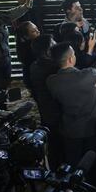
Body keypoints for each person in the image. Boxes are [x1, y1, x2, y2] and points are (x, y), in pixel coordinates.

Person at [46, 31, 96, 166]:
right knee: (92, 159)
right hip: (92, 127)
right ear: (70, 59)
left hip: (70, 128)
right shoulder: (86, 76)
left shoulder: (51, 81)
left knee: (72, 160)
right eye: (74, 54)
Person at [29, 34, 62, 169]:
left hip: (44, 106)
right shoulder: (53, 67)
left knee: (52, 139)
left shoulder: (34, 64)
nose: (56, 44)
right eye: (53, 42)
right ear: (47, 49)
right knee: (58, 140)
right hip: (55, 108)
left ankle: (53, 164)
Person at [16, 21, 41, 89]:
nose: (38, 31)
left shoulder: (38, 44)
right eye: (33, 31)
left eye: (37, 28)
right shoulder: (30, 50)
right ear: (26, 36)